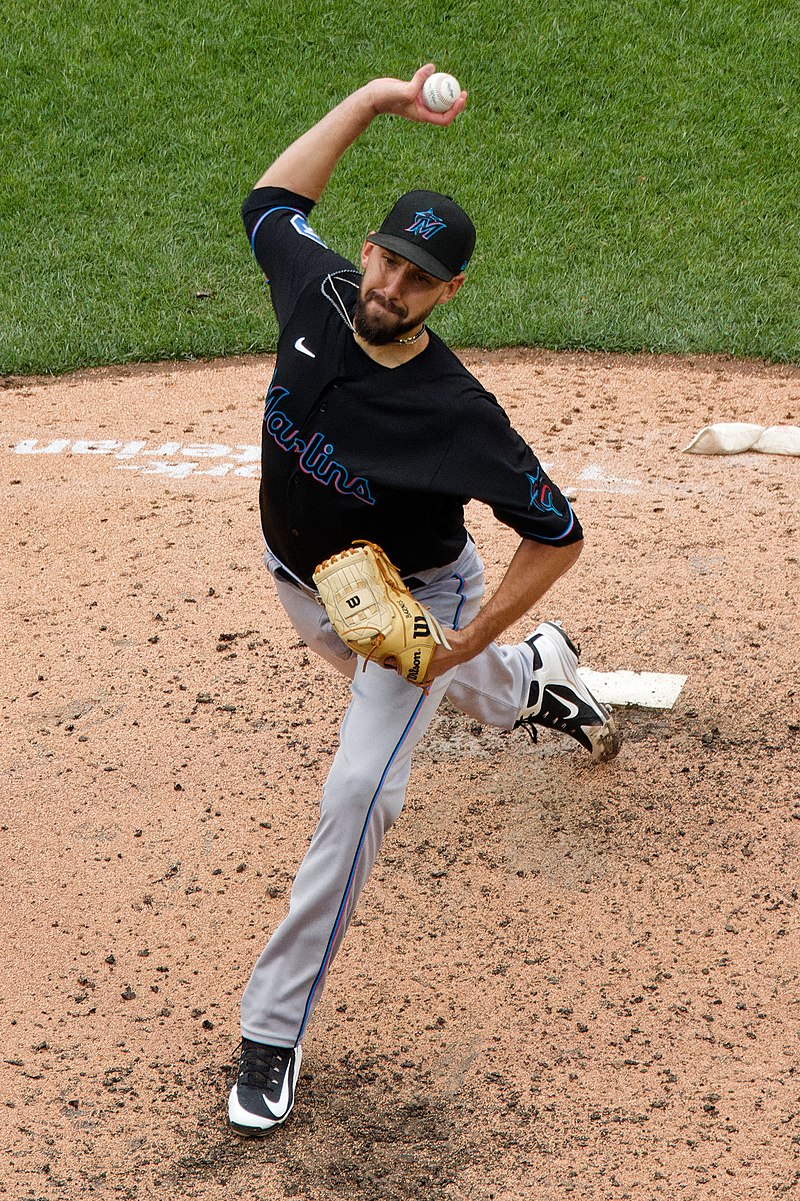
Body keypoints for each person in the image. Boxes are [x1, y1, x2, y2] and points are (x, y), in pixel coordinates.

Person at [227, 64, 621, 1137]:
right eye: (388, 258)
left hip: (412, 598)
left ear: (448, 294)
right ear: (366, 251)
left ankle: (271, 1029)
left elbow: (557, 532)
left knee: (359, 792)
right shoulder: (311, 291)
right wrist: (366, 101)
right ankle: (534, 682)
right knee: (485, 690)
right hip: (304, 584)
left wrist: (461, 638)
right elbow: (271, 203)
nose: (392, 285)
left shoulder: (457, 413)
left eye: (418, 278)